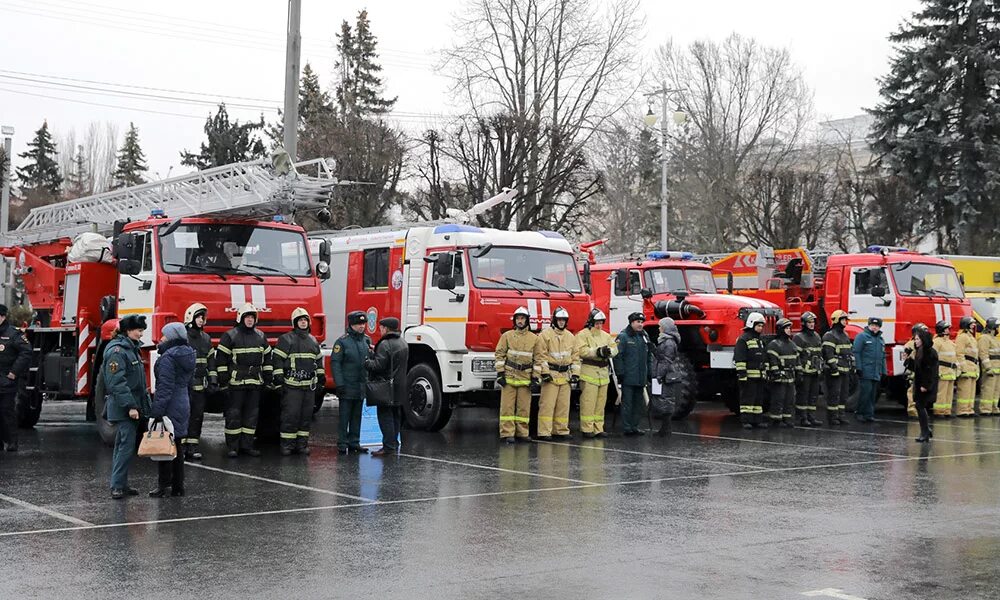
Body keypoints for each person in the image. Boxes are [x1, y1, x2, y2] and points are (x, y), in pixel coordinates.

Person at [213, 303, 272, 458]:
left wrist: (267, 378)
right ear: (241, 318)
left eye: (252, 317)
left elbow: (267, 359)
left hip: (255, 383)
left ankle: (247, 446)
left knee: (251, 416)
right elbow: (221, 360)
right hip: (236, 383)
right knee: (234, 415)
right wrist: (223, 380)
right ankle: (233, 447)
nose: (250, 320)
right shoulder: (230, 335)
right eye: (247, 317)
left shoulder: (260, 336)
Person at [104, 315, 151, 500]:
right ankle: (117, 486)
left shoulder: (131, 349)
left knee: (123, 445)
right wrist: (131, 406)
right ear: (127, 330)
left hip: (130, 405)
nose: (141, 333)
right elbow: (116, 383)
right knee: (125, 446)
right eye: (138, 330)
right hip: (124, 407)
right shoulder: (118, 351)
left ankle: (121, 484)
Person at [148, 322, 196, 497]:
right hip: (183, 402)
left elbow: (165, 387)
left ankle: (163, 486)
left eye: (164, 335)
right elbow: (189, 384)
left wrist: (156, 411)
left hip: (170, 404)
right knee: (177, 446)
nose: (161, 338)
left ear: (172, 337)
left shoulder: (168, 358)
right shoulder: (188, 354)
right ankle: (178, 487)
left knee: (163, 446)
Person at [273, 307, 325, 456]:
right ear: (295, 322)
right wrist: (278, 381)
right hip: (292, 386)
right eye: (300, 320)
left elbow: (318, 362)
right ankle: (287, 445)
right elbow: (277, 361)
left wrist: (321, 379)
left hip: (308, 387)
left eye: (305, 320)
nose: (303, 322)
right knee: (290, 416)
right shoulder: (286, 339)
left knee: (305, 417)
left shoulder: (313, 340)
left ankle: (301, 445)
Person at [365, 317, 408, 456]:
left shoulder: (385, 344)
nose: (380, 330)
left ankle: (388, 446)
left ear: (386, 328)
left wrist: (367, 361)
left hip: (385, 387)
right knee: (396, 415)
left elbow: (378, 366)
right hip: (399, 385)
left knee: (385, 417)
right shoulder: (403, 342)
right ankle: (394, 443)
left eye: (381, 327)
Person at [534, 307, 579, 441]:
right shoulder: (545, 335)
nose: (561, 322)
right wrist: (545, 373)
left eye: (563, 320)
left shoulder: (570, 337)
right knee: (547, 405)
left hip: (565, 376)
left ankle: (560, 430)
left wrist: (575, 374)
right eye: (559, 320)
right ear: (554, 320)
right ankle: (544, 432)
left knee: (563, 406)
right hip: (551, 375)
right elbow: (541, 356)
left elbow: (575, 357)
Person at [495, 306, 538, 443]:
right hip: (509, 377)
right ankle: (507, 433)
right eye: (518, 318)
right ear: (515, 320)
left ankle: (522, 433)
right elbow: (499, 355)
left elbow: (538, 359)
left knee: (524, 409)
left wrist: (536, 378)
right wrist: (500, 374)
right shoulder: (507, 336)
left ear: (527, 320)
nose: (520, 321)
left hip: (525, 378)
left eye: (522, 318)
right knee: (507, 408)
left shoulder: (534, 338)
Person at [331, 311, 371, 455]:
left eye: (363, 323)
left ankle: (355, 442)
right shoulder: (342, 342)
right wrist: (339, 384)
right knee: (344, 416)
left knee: (357, 416)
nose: (361, 326)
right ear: (351, 325)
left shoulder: (366, 340)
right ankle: (342, 443)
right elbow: (335, 364)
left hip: (360, 385)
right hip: (347, 385)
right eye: (358, 324)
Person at [575, 309, 618, 439]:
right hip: (589, 372)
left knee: (600, 404)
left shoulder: (605, 335)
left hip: (603, 375)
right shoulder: (582, 335)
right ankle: (587, 429)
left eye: (601, 323)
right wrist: (598, 352)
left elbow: (615, 348)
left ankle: (598, 428)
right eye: (597, 323)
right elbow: (581, 351)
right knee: (588, 403)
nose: (599, 325)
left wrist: (609, 351)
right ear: (591, 322)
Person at [613, 312, 653, 436]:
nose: (640, 324)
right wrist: (620, 373)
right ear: (631, 323)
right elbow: (617, 356)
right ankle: (627, 427)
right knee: (627, 403)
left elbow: (648, 358)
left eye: (641, 322)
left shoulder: (644, 337)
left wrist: (650, 373)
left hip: (641, 377)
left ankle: (635, 426)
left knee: (638, 404)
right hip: (628, 377)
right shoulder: (624, 337)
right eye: (638, 322)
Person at [182, 303, 211, 460]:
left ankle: (192, 447)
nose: (201, 320)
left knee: (197, 416)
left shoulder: (206, 338)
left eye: (203, 317)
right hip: (185, 386)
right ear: (190, 318)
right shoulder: (183, 337)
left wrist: (213, 380)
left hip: (200, 386)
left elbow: (210, 361)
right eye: (198, 317)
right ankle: (180, 447)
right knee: (183, 416)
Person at [0, 304, 31, 452]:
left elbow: (26, 352)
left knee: (7, 410)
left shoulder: (13, 334)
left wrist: (14, 372)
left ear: (2, 317)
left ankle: (12, 442)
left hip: (6, 379)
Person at [905, 324, 938, 442]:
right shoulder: (920, 351)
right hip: (920, 384)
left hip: (926, 385)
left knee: (920, 406)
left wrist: (925, 385)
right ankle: (926, 430)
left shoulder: (929, 352)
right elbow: (916, 368)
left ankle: (925, 432)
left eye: (918, 339)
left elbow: (930, 371)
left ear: (923, 339)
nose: (915, 341)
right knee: (920, 406)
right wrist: (908, 360)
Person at [734, 312, 767, 430]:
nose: (761, 328)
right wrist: (742, 374)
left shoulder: (760, 340)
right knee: (747, 399)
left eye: (762, 326)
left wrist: (765, 371)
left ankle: (757, 420)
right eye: (759, 325)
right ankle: (746, 421)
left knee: (758, 399)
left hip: (759, 376)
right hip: (748, 376)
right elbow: (739, 357)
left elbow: (764, 357)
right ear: (751, 324)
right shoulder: (743, 339)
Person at [822, 309, 853, 425]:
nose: (845, 322)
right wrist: (833, 367)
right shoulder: (829, 335)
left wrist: (852, 365)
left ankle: (841, 415)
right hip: (834, 371)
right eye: (843, 319)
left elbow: (849, 352)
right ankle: (832, 417)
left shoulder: (845, 335)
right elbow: (828, 353)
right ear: (836, 320)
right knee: (834, 394)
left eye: (846, 320)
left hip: (844, 370)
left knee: (843, 395)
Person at [652, 317, 681, 436]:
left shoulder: (668, 342)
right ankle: (665, 427)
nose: (659, 328)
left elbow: (666, 360)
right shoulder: (668, 341)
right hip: (668, 374)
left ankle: (666, 428)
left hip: (666, 375)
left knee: (666, 399)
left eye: (660, 326)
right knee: (666, 399)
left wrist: (659, 375)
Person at [852, 317, 886, 422]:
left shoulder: (880, 340)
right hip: (866, 371)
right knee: (864, 393)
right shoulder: (862, 337)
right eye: (873, 325)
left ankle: (869, 414)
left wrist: (884, 371)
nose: (874, 328)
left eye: (877, 326)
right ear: (869, 325)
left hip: (876, 372)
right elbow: (856, 352)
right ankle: (859, 413)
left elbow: (883, 356)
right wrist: (858, 368)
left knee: (872, 395)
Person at [792, 311, 823, 427]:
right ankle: (802, 417)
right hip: (804, 373)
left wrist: (820, 369)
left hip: (815, 372)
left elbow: (819, 354)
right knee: (803, 396)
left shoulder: (816, 336)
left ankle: (811, 417)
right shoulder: (798, 338)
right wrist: (799, 372)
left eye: (813, 322)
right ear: (804, 323)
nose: (812, 324)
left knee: (813, 396)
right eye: (809, 322)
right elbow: (796, 356)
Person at [766, 318, 798, 427]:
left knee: (789, 399)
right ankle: (776, 420)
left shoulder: (792, 344)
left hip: (790, 377)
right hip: (779, 378)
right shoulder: (774, 344)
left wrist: (799, 372)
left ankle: (787, 419)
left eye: (789, 328)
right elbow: (772, 360)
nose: (789, 330)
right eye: (786, 328)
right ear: (780, 330)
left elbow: (796, 360)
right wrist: (776, 372)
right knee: (778, 399)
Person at [954, 316, 980, 417]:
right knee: (964, 391)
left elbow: (975, 355)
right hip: (967, 367)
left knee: (971, 391)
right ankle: (962, 410)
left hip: (972, 367)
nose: (974, 325)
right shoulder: (962, 337)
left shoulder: (971, 337)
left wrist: (976, 369)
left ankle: (969, 409)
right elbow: (959, 354)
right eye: (972, 323)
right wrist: (963, 369)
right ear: (966, 324)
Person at [932, 320, 958, 418]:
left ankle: (947, 411)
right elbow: (933, 357)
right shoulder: (936, 342)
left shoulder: (950, 342)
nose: (948, 330)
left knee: (949, 393)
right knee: (941, 393)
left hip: (950, 371)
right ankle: (939, 411)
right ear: (942, 330)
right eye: (947, 328)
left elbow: (954, 356)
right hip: (942, 371)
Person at [978, 317, 1000, 416]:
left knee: (996, 390)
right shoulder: (984, 338)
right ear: (993, 326)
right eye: (997, 326)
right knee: (988, 389)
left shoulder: (995, 339)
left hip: (998, 369)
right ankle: (985, 409)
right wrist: (988, 368)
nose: (998, 328)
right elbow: (983, 354)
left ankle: (994, 408)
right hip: (990, 369)